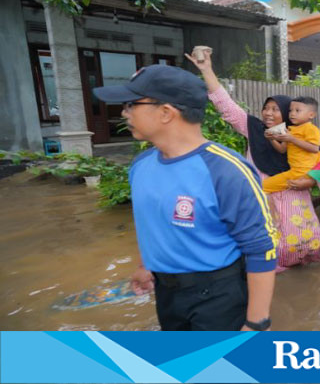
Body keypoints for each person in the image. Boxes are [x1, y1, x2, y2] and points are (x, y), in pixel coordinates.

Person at [93, 64, 276, 331]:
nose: (124, 112)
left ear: (166, 112)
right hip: (166, 291)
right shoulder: (141, 165)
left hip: (218, 296)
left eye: (132, 104)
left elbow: (262, 247)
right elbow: (154, 225)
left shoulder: (226, 170)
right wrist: (146, 266)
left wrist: (257, 322)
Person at [187, 52, 320, 272]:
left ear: (288, 114)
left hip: (293, 190)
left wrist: (309, 183)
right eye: (266, 108)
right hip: (261, 193)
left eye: (275, 109)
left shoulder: (299, 133)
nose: (268, 113)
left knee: (304, 243)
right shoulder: (255, 129)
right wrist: (206, 70)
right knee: (267, 244)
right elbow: (227, 106)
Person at [261, 97, 320, 193]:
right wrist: (272, 139)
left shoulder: (311, 129)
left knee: (263, 186)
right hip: (296, 171)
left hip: (301, 172)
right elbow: (282, 149)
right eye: (290, 110)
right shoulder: (291, 130)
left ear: (311, 115)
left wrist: (292, 139)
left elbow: (315, 148)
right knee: (265, 187)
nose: (292, 114)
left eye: (297, 110)